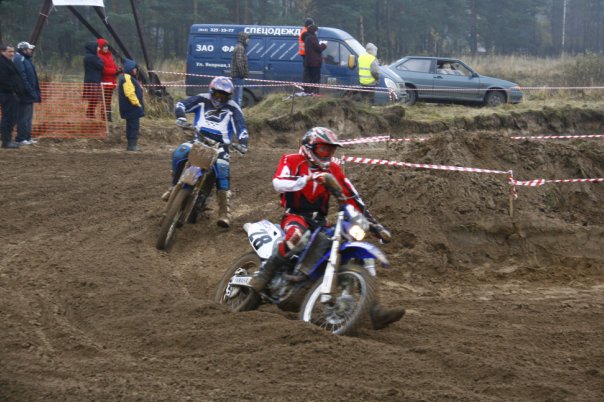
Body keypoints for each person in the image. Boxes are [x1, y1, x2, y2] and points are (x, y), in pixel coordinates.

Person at [250, 127, 406, 330]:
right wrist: (309, 178)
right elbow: (279, 183)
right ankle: (265, 273)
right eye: (323, 149)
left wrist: (374, 225)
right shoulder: (292, 160)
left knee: (355, 248)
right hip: (295, 216)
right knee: (297, 236)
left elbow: (352, 196)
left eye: (331, 150)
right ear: (310, 147)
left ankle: (374, 309)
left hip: (320, 221)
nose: (328, 154)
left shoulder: (334, 169)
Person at [171, 76, 249, 228]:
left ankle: (224, 212)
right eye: (217, 94)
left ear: (229, 96)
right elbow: (181, 104)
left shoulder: (233, 108)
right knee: (180, 152)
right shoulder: (202, 99)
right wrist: (181, 117)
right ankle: (173, 186)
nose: (220, 98)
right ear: (212, 91)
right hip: (198, 140)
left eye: (223, 95)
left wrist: (243, 143)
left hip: (221, 146)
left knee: (222, 168)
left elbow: (242, 128)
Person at [13, 42, 41, 145]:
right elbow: (22, 77)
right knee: (23, 117)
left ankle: (27, 138)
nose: (31, 51)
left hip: (29, 93)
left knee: (28, 117)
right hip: (24, 94)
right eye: (29, 49)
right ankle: (21, 138)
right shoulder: (19, 59)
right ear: (24, 50)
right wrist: (30, 90)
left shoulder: (26, 59)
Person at [0, 44, 25, 149]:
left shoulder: (9, 62)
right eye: (9, 51)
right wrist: (13, 90)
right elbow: (4, 80)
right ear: (2, 52)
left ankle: (8, 139)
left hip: (11, 93)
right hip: (6, 93)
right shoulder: (2, 63)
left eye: (13, 51)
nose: (12, 53)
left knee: (12, 117)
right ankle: (6, 141)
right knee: (8, 117)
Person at [118, 59, 144, 152]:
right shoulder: (127, 78)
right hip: (132, 107)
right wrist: (137, 103)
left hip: (130, 107)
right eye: (134, 69)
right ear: (130, 69)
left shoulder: (127, 78)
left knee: (130, 126)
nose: (136, 70)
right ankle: (132, 145)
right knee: (133, 126)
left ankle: (131, 145)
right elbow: (129, 93)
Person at [97, 38, 120, 122]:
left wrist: (118, 69)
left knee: (108, 101)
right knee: (105, 102)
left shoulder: (109, 55)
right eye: (104, 46)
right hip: (105, 82)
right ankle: (104, 119)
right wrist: (115, 71)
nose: (106, 48)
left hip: (111, 82)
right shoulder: (99, 56)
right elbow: (103, 70)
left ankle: (108, 119)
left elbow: (113, 65)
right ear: (100, 47)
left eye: (106, 46)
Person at [302, 24, 326, 95]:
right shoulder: (312, 38)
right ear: (314, 31)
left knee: (309, 78)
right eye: (316, 31)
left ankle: (308, 92)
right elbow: (318, 49)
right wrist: (324, 45)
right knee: (315, 79)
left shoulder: (306, 38)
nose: (317, 32)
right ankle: (314, 93)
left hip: (308, 62)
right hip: (314, 63)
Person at [83, 41, 104, 119]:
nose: (99, 49)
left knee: (92, 98)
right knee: (94, 98)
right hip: (94, 80)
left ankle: (90, 113)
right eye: (97, 47)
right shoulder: (93, 57)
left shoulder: (87, 57)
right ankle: (90, 113)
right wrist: (101, 60)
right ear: (93, 48)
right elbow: (101, 66)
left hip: (89, 79)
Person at [231, 32, 249, 107]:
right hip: (238, 76)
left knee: (236, 96)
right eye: (247, 38)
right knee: (238, 98)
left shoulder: (239, 47)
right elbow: (239, 62)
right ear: (243, 39)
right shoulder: (240, 48)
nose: (248, 40)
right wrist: (242, 74)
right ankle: (237, 111)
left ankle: (235, 110)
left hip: (237, 76)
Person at [298, 18, 314, 92]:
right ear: (309, 25)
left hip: (304, 53)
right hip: (306, 54)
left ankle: (306, 88)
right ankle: (306, 89)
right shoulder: (306, 32)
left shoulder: (303, 30)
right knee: (307, 72)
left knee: (307, 72)